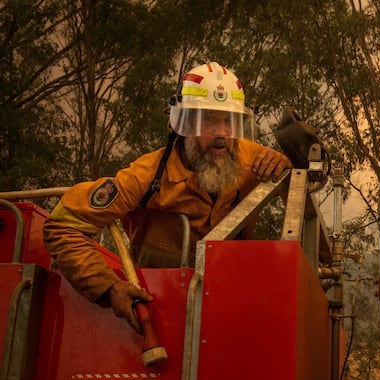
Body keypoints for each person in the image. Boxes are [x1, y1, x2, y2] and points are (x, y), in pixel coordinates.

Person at [43, 62, 292, 333]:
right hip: (156, 305)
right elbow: (64, 224)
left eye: (229, 121)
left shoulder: (258, 162)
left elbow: (308, 194)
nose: (221, 132)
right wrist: (108, 288)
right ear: (183, 123)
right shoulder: (147, 176)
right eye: (208, 118)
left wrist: (289, 167)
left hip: (230, 305)